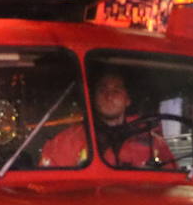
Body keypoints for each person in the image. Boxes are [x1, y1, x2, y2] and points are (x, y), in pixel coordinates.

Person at [39, 71, 174, 169]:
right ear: (92, 98)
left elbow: (171, 184)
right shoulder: (64, 143)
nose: (109, 96)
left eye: (116, 90)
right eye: (102, 90)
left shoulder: (153, 143)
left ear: (127, 99)